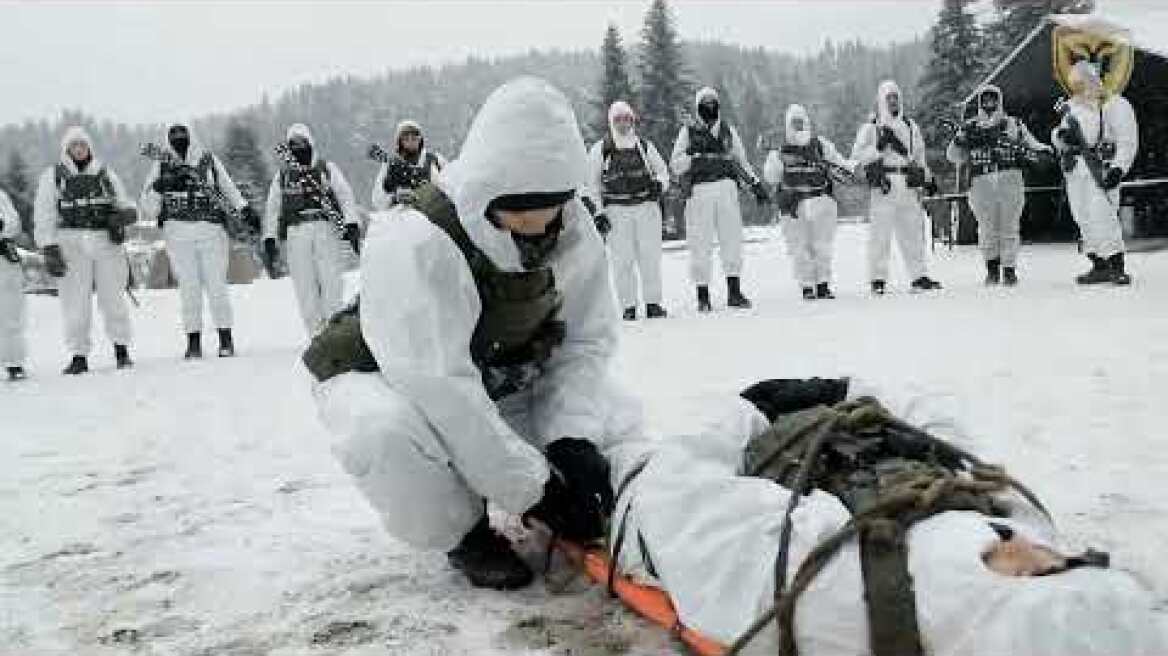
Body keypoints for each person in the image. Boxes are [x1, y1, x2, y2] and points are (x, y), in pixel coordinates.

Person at [306, 77, 644, 591]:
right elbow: (441, 388)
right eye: (520, 206)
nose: (537, 221)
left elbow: (584, 344)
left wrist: (569, 437)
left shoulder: (574, 231)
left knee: (617, 422)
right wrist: (536, 491)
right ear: (488, 188)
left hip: (498, 373)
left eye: (549, 203)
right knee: (384, 434)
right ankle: (462, 532)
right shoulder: (417, 238)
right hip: (394, 379)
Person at [599, 377, 1166, 655]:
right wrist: (853, 390)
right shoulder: (1021, 524)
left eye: (1056, 569)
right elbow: (947, 432)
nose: (1056, 551)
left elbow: (676, 496)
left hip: (725, 461)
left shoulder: (827, 583)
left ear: (1021, 584)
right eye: (1078, 559)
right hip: (864, 448)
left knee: (609, 438)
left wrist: (747, 413)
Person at [139, 122, 256, 359]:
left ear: (192, 137)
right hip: (177, 233)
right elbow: (148, 207)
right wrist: (161, 187)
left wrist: (244, 209)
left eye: (183, 135)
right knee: (189, 289)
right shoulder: (161, 165)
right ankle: (193, 341)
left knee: (217, 286)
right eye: (174, 136)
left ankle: (225, 337)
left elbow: (228, 187)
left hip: (210, 230)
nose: (179, 139)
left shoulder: (208, 160)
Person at [33, 126, 136, 374]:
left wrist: (123, 216)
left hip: (104, 241)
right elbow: (44, 213)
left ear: (89, 147)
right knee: (74, 302)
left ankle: (121, 349)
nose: (79, 149)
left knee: (113, 297)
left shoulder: (105, 173)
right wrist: (48, 246)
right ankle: (79, 355)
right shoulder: (53, 176)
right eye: (74, 146)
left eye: (83, 145)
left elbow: (125, 203)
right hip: (70, 241)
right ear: (66, 150)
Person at [670, 86, 769, 312]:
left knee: (732, 239)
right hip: (699, 191)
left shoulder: (728, 131)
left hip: (726, 188)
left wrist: (756, 185)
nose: (709, 106)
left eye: (713, 102)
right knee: (700, 242)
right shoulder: (688, 132)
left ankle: (734, 292)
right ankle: (703, 296)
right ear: (698, 106)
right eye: (705, 103)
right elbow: (675, 164)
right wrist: (695, 159)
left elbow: (741, 162)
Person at [947, 85, 1051, 286]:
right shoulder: (970, 126)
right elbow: (953, 156)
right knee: (987, 227)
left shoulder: (1014, 124)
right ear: (980, 102)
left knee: (1010, 226)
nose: (989, 103)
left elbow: (1031, 144)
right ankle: (992, 268)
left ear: (999, 100)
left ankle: (1009, 269)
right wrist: (959, 141)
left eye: (992, 99)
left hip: (1009, 176)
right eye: (985, 100)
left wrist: (1045, 150)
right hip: (981, 180)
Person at [262, 123, 361, 334]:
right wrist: (270, 237)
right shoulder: (282, 176)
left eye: (302, 143)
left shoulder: (327, 168)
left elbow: (344, 195)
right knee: (305, 286)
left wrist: (351, 223)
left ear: (310, 143)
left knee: (332, 281)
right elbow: (272, 207)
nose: (298, 148)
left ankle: (334, 328)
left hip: (325, 228)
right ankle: (316, 333)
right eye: (294, 145)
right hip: (296, 232)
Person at [851, 81, 943, 295]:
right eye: (889, 97)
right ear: (881, 100)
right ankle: (877, 279)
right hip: (884, 184)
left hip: (908, 184)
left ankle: (919, 276)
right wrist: (878, 147)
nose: (893, 101)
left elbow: (919, 157)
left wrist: (928, 179)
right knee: (880, 235)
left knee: (914, 232)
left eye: (896, 97)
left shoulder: (911, 126)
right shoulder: (871, 128)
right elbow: (857, 157)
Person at [1052, 61, 1139, 286]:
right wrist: (1063, 138)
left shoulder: (1114, 104)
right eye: (1076, 83)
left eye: (1084, 81)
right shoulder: (1072, 107)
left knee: (1103, 216)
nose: (1081, 87)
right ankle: (1098, 265)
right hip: (1076, 171)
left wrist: (1119, 168)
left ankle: (1116, 265)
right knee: (1083, 218)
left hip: (1101, 169)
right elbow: (1059, 135)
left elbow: (1127, 140)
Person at [588, 101, 670, 320]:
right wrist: (599, 213)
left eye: (627, 118)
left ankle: (653, 303)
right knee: (622, 261)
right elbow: (592, 185)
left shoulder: (644, 146)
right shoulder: (601, 150)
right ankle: (628, 306)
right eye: (618, 119)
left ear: (632, 120)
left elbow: (663, 172)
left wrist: (659, 185)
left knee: (650, 257)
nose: (623, 123)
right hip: (617, 211)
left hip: (646, 208)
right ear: (611, 122)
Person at [763, 104, 855, 301]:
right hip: (793, 204)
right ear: (788, 124)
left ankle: (823, 284)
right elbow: (771, 176)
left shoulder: (821, 144)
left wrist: (854, 168)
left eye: (801, 121)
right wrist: (780, 160)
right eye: (794, 122)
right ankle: (807, 285)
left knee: (823, 246)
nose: (798, 125)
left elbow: (840, 165)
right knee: (799, 247)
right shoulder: (780, 148)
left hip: (821, 199)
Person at [371, 119, 447, 211]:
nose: (410, 140)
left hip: (434, 215)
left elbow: (451, 188)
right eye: (406, 137)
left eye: (414, 136)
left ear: (420, 139)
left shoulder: (435, 160)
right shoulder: (389, 165)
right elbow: (377, 200)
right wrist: (395, 198)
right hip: (402, 217)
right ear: (400, 141)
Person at [0, 188, 26, 380]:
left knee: (10, 314)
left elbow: (13, 223)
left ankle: (13, 363)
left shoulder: (0, 196)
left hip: (3, 260)